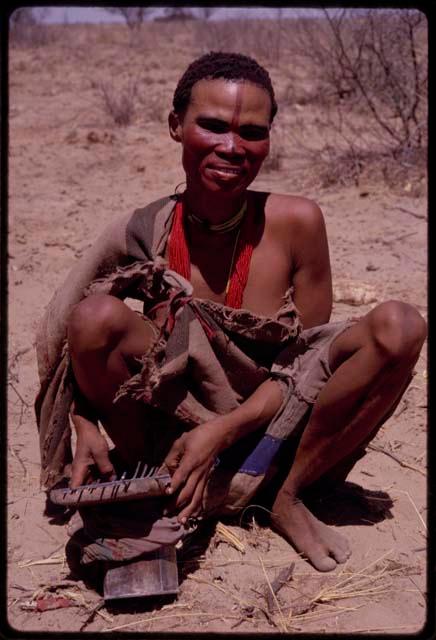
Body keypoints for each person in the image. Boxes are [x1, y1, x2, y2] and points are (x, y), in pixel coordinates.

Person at [36, 51, 427, 573]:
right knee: (94, 318)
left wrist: (225, 429)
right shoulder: (139, 230)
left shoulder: (297, 223)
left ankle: (282, 494)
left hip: (280, 433)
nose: (232, 147)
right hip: (172, 433)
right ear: (176, 125)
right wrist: (84, 422)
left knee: (399, 326)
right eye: (213, 126)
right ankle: (160, 482)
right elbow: (61, 334)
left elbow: (305, 365)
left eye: (252, 132)